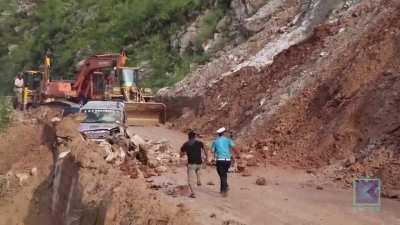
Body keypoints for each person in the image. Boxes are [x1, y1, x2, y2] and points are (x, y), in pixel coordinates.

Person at [180, 130, 208, 198]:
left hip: (191, 163)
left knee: (190, 180)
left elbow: (181, 153)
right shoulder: (200, 142)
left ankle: (193, 193)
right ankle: (198, 179)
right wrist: (206, 159)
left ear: (188, 137)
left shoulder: (186, 144)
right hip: (199, 162)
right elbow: (205, 149)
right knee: (198, 169)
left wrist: (184, 154)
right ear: (195, 136)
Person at [212, 127, 237, 197]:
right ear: (224, 133)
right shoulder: (228, 140)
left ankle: (225, 189)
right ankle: (222, 189)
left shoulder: (215, 141)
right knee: (224, 174)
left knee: (221, 174)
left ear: (219, 134)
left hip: (220, 160)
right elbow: (234, 147)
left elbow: (212, 150)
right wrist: (238, 154)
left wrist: (216, 150)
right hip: (228, 160)